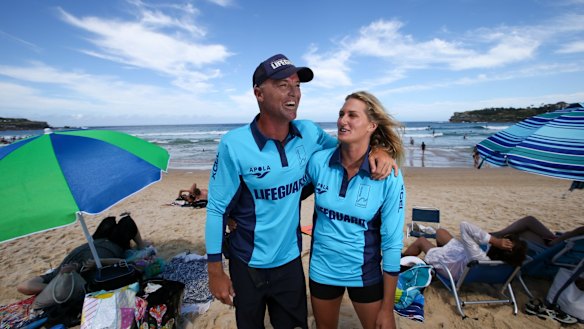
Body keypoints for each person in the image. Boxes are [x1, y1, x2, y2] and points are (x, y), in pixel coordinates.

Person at [204, 54, 398, 328]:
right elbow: (216, 209)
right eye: (283, 85)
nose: (294, 92)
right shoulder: (234, 145)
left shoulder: (308, 132)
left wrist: (379, 150)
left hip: (290, 262)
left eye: (297, 85)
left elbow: (348, 148)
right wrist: (215, 271)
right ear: (259, 93)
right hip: (247, 262)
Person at [306, 91, 405, 329]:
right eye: (341, 114)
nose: (342, 121)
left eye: (352, 115)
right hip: (322, 270)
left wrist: (387, 308)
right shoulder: (319, 162)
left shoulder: (388, 175)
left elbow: (392, 243)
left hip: (365, 273)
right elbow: (284, 191)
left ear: (371, 125)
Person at [17, 214, 147, 296]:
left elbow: (23, 286)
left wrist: (56, 283)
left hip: (95, 240)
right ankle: (141, 245)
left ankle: (137, 241)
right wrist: (64, 289)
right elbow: (122, 263)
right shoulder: (85, 280)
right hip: (116, 244)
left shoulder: (57, 274)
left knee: (109, 220)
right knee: (127, 221)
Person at [402, 221, 527, 281]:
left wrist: (495, 241)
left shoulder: (479, 256)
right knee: (440, 232)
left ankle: (402, 262)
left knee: (422, 240)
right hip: (463, 257)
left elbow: (464, 225)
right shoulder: (500, 261)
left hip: (454, 266)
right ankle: (439, 251)